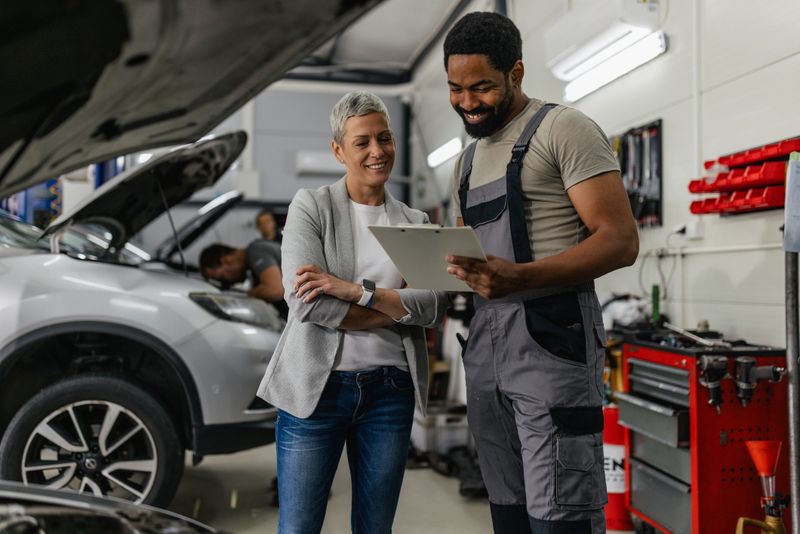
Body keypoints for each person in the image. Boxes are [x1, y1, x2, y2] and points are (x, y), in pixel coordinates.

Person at [441, 12, 639, 534]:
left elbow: (620, 240)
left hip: (553, 343)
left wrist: (521, 278)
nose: (467, 102)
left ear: (517, 73)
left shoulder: (563, 130)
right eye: (455, 89)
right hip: (487, 348)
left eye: (481, 87)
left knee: (561, 517)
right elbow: (476, 256)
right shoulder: (465, 162)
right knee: (509, 515)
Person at [256, 91, 449, 534]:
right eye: (362, 142)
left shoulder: (415, 222)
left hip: (390, 392)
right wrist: (393, 304)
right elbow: (306, 302)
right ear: (339, 150)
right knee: (299, 527)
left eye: (384, 138)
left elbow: (433, 304)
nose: (377, 151)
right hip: (316, 392)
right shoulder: (312, 206)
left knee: (375, 528)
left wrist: (353, 292)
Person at [199, 240, 288, 319]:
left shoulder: (255, 251)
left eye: (222, 277)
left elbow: (275, 291)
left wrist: (249, 294)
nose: (226, 282)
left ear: (226, 261)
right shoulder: (253, 266)